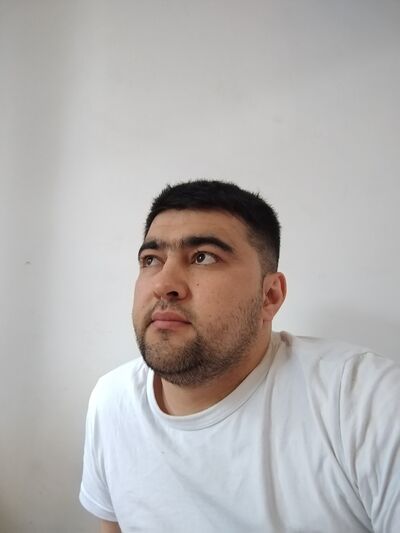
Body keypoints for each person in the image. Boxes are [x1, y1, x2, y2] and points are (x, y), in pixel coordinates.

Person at [79, 180, 400, 533]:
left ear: (269, 296)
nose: (163, 284)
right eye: (151, 260)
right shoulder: (112, 400)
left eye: (203, 257)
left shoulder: (364, 402)